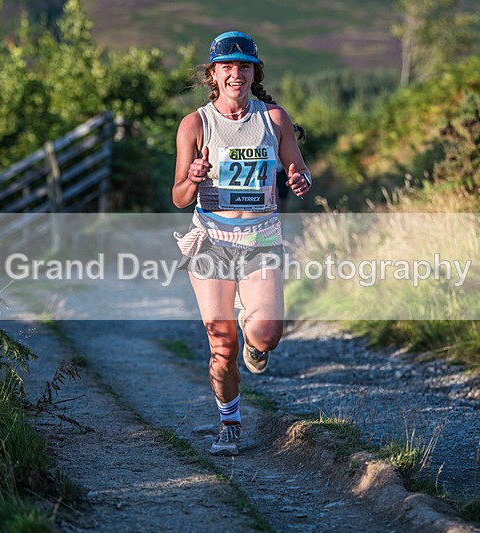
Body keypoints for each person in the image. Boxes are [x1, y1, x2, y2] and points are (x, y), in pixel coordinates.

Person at [172, 30, 312, 456]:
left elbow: (300, 171)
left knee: (266, 335)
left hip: (260, 240)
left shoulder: (273, 119)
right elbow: (178, 197)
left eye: (244, 66)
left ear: (255, 72)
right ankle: (229, 424)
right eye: (227, 67)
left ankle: (255, 341)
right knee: (221, 344)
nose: (237, 74)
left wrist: (299, 179)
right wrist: (193, 179)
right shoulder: (195, 124)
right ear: (213, 75)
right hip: (211, 243)